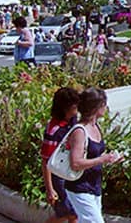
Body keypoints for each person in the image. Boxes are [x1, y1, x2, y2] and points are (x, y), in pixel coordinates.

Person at [64, 87, 123, 223]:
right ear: (96, 107)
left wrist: (111, 159)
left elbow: (95, 154)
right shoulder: (80, 131)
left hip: (94, 186)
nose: (106, 107)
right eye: (104, 104)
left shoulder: (95, 127)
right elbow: (76, 163)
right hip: (80, 188)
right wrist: (101, 159)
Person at [40, 87, 80, 223]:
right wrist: (50, 189)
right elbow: (46, 161)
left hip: (72, 175)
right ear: (65, 108)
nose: (77, 108)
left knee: (70, 213)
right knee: (72, 213)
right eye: (74, 106)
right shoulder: (53, 130)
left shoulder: (73, 120)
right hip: (60, 179)